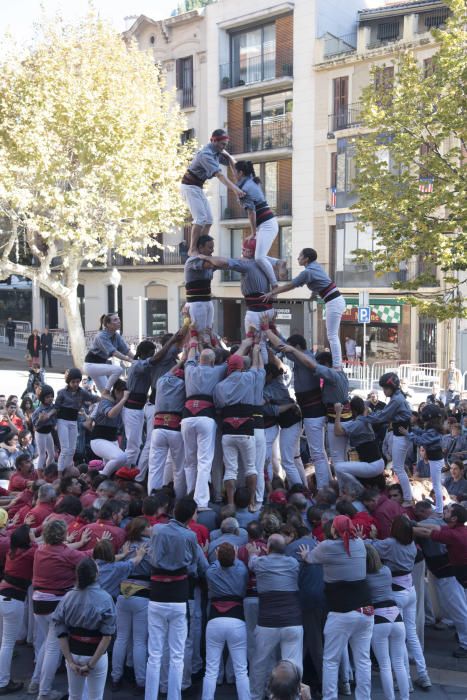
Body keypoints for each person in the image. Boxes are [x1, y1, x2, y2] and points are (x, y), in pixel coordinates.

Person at [299, 515, 374, 700]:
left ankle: (330, 697)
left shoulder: (326, 547)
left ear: (334, 530)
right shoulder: (360, 545)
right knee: (363, 659)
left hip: (341, 611)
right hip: (366, 610)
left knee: (331, 660)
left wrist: (303, 555)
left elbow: (309, 558)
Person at [29, 519, 93, 699]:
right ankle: (44, 692)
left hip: (38, 602)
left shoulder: (40, 550)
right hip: (55, 605)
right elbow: (86, 556)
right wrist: (99, 547)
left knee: (46, 645)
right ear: (62, 535)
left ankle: (35, 682)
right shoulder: (66, 553)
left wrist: (77, 543)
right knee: (53, 649)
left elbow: (68, 550)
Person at [145, 497, 199, 700]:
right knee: (177, 653)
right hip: (178, 595)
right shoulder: (190, 535)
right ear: (191, 515)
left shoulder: (157, 529)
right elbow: (193, 565)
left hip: (158, 594)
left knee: (155, 653)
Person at [371, 516, 431, 689]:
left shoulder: (390, 543)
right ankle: (423, 674)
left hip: (396, 593)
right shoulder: (411, 543)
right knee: (410, 634)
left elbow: (372, 548)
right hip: (410, 590)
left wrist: (373, 536)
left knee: (399, 638)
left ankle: (406, 681)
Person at [262, 248, 346, 369]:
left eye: (300, 256)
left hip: (333, 301)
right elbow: (320, 284)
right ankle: (337, 364)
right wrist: (313, 295)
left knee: (332, 335)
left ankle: (337, 365)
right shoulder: (315, 267)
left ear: (306, 259)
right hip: (334, 300)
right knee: (332, 335)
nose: (298, 258)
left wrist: (271, 293)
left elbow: (290, 285)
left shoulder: (308, 272)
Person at [248, 534, 303, 700]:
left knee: (259, 662)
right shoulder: (293, 563)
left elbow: (251, 564)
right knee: (293, 664)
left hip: (267, 623)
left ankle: (256, 696)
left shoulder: (260, 562)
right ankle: (294, 695)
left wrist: (253, 553)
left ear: (267, 548)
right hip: (292, 621)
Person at [53, 557, 116, 700]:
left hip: (73, 653)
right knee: (95, 697)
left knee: (74, 696)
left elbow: (60, 631)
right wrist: (91, 665)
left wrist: (69, 661)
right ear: (96, 575)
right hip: (95, 654)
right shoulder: (106, 598)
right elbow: (107, 637)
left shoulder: (68, 597)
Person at [180, 128, 244, 254]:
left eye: (225, 145)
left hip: (198, 187)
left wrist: (236, 174)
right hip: (189, 186)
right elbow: (220, 176)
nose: (223, 147)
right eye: (222, 145)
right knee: (200, 218)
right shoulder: (206, 155)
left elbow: (230, 160)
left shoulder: (217, 150)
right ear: (213, 141)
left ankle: (201, 247)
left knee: (209, 220)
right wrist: (236, 189)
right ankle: (192, 249)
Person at [181, 332, 226, 510]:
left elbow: (191, 355)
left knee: (190, 461)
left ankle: (190, 496)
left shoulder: (189, 368)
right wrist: (213, 340)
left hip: (187, 416)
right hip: (206, 416)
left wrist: (193, 339)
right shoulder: (218, 370)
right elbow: (230, 358)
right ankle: (200, 502)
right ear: (213, 362)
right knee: (204, 461)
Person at [213, 341, 260, 509]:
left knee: (231, 469)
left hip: (227, 430)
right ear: (241, 367)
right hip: (246, 428)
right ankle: (252, 502)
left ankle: (231, 504)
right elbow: (255, 367)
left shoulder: (219, 386)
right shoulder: (248, 377)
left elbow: (218, 408)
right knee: (250, 467)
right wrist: (255, 351)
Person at [201, 542, 250, 700]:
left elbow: (213, 566)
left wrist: (218, 557)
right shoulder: (242, 570)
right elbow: (238, 564)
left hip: (214, 620)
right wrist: (234, 557)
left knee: (211, 670)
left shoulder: (211, 571)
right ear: (234, 556)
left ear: (217, 556)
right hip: (237, 620)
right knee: (241, 670)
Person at [365, 543, 410, 700]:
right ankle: (405, 698)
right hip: (397, 617)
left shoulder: (363, 575)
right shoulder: (386, 571)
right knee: (399, 664)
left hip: (379, 618)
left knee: (385, 665)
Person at [362, 372, 413, 505]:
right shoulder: (398, 396)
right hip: (399, 434)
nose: (383, 391)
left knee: (399, 468)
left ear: (393, 387)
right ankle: (407, 497)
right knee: (398, 467)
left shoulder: (396, 399)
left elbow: (382, 416)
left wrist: (363, 418)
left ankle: (408, 498)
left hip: (400, 435)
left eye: (385, 388)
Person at [232, 160, 281, 288]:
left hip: (267, 225)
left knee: (259, 258)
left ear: (241, 173)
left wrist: (254, 232)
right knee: (257, 256)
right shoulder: (250, 179)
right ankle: (279, 263)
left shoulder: (244, 189)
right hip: (267, 223)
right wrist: (227, 156)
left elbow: (251, 213)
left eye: (234, 172)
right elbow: (238, 165)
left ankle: (274, 285)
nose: (233, 174)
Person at [0, 525, 37, 695]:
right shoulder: (31, 552)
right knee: (7, 644)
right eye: (31, 533)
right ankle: (2, 681)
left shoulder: (12, 551)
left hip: (3, 595)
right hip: (13, 600)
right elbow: (43, 547)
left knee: (4, 643)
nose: (33, 534)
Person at [55, 368, 99, 473]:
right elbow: (56, 408)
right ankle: (60, 473)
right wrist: (54, 423)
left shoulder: (82, 392)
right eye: (73, 382)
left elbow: (93, 398)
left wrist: (105, 397)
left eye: (77, 382)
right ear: (68, 381)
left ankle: (68, 470)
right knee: (65, 449)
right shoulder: (61, 393)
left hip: (73, 421)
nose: (75, 384)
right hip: (62, 421)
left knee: (72, 449)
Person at [333, 397, 385, 485]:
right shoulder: (364, 420)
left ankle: (358, 489)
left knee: (338, 467)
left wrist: (338, 412)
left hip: (372, 466)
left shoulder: (358, 423)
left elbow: (337, 432)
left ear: (352, 410)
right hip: (378, 462)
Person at [83, 314, 134, 392]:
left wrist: (137, 359)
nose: (119, 321)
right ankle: (107, 392)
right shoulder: (101, 336)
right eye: (115, 320)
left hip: (99, 366)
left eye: (118, 319)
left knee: (105, 396)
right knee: (118, 370)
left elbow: (126, 350)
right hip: (90, 365)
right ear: (108, 324)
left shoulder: (116, 336)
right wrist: (130, 360)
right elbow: (114, 352)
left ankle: (105, 395)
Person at [89, 380, 128, 478]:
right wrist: (124, 399)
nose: (124, 396)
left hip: (112, 439)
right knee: (121, 457)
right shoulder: (105, 401)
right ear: (117, 391)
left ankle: (103, 480)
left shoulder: (119, 403)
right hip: (98, 440)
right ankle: (100, 478)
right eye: (122, 393)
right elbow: (110, 414)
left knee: (121, 465)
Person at [31, 385, 57, 470]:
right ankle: (39, 473)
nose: (50, 399)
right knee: (42, 455)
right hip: (40, 433)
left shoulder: (52, 406)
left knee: (52, 454)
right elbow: (35, 425)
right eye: (47, 397)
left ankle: (48, 470)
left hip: (48, 433)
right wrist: (40, 420)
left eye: (51, 396)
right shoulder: (39, 410)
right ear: (42, 398)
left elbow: (56, 409)